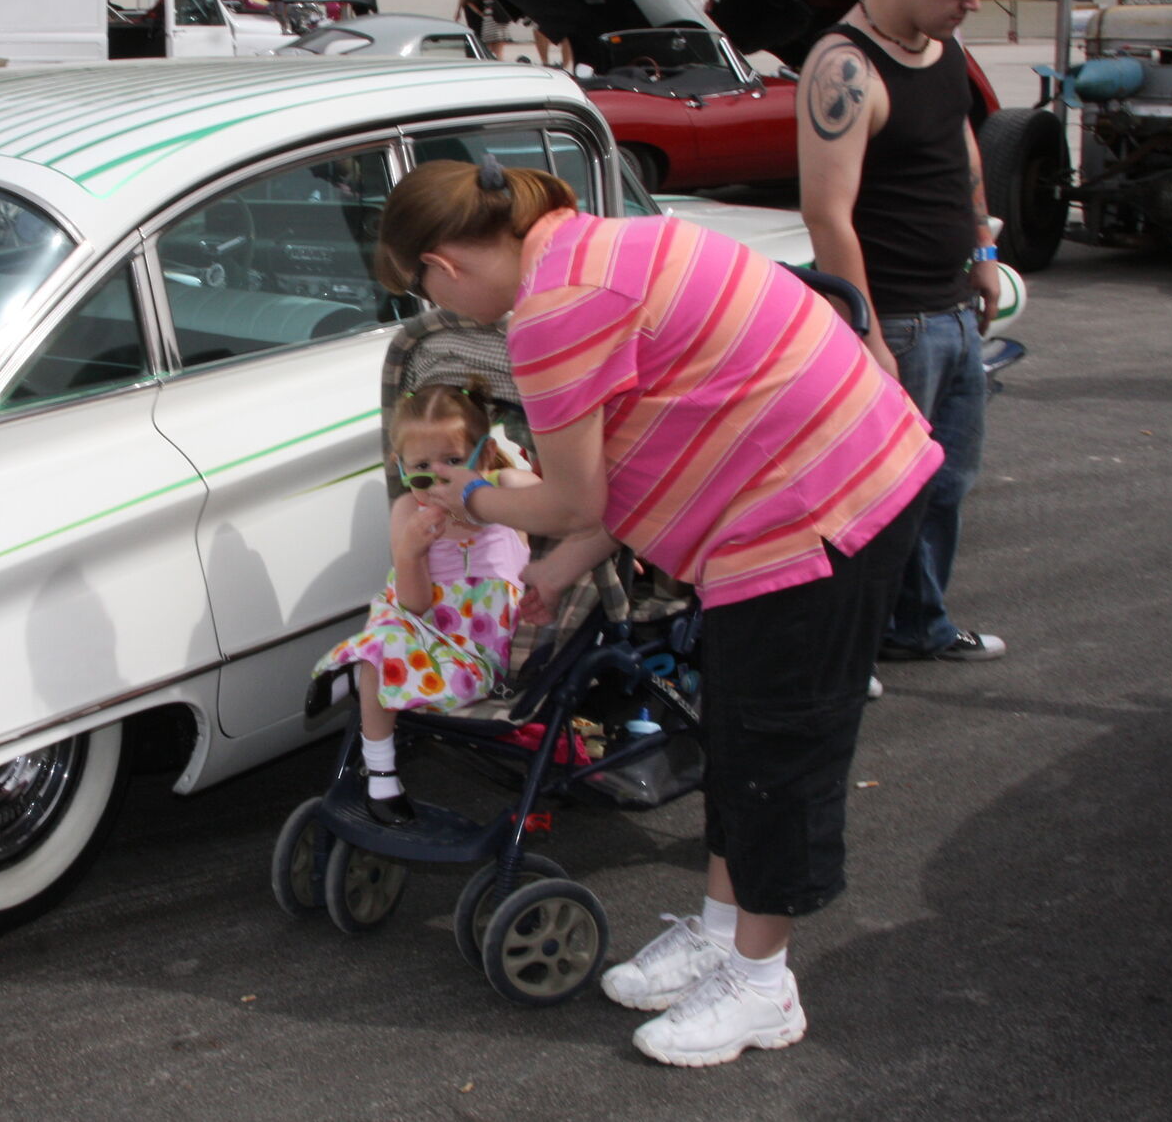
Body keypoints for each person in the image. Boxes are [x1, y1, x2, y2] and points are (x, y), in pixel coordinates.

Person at [378, 157, 940, 1066]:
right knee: (740, 727)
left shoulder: (554, 314)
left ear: (441, 265)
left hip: (818, 506)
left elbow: (569, 494)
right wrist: (559, 572)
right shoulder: (596, 247)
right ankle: (724, 934)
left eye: (421, 288)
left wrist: (471, 499)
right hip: (821, 471)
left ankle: (763, 985)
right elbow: (651, 453)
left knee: (776, 744)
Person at [797, 0, 1006, 667]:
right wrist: (869, 337)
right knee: (875, 499)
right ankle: (845, 650)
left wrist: (982, 246)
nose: (973, 4)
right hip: (900, 323)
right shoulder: (844, 66)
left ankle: (917, 623)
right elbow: (827, 214)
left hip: (953, 309)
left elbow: (961, 148)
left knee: (946, 486)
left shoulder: (941, 49)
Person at [306, 382, 534, 824]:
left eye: (453, 462)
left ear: (484, 456)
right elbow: (411, 603)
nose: (439, 480)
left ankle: (354, 673)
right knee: (387, 637)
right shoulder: (408, 511)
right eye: (422, 469)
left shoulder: (509, 490)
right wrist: (410, 551)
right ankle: (382, 777)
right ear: (401, 467)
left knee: (380, 651)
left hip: (473, 655)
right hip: (417, 624)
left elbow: (566, 507)